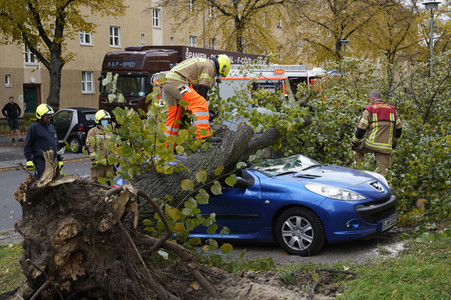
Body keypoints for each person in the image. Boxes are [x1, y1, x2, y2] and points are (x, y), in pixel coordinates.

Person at [162, 54, 231, 143]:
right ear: (222, 67)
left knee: (174, 114)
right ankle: (203, 136)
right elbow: (202, 92)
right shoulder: (209, 67)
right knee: (199, 102)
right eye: (218, 74)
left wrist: (203, 112)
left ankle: (169, 147)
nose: (216, 75)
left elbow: (194, 95)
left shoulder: (203, 62)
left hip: (168, 82)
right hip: (178, 81)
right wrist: (204, 113)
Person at [351, 89, 402, 177]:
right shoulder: (393, 110)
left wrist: (354, 142)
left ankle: (361, 175)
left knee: (357, 150)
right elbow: (399, 130)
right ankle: (386, 186)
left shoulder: (369, 110)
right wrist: (393, 143)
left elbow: (361, 130)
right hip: (385, 147)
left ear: (372, 98)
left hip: (370, 144)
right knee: (385, 174)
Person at [24, 104, 63, 179]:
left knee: (53, 180)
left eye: (49, 115)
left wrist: (59, 159)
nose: (49, 117)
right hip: (41, 160)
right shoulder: (34, 127)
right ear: (40, 116)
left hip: (52, 160)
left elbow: (56, 144)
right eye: (46, 115)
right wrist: (28, 160)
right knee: (43, 181)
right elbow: (28, 145)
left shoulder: (51, 127)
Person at [87, 109, 115, 183]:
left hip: (109, 165)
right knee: (97, 186)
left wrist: (116, 158)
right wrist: (94, 159)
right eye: (103, 119)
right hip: (98, 166)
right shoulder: (93, 131)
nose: (105, 121)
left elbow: (114, 146)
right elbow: (90, 146)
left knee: (109, 186)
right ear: (98, 120)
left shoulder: (110, 131)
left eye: (106, 119)